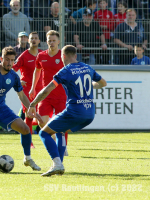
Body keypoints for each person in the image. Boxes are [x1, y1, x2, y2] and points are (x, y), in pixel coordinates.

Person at [28, 45, 107, 176]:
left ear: (63, 56)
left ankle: (57, 163)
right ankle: (59, 167)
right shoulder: (87, 67)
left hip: (75, 111)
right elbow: (103, 83)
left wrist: (33, 103)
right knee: (60, 131)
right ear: (75, 56)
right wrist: (89, 86)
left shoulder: (65, 71)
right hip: (90, 113)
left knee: (44, 133)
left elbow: (47, 89)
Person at [13, 32, 43, 148]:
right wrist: (18, 81)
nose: (34, 40)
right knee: (29, 114)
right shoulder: (24, 56)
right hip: (26, 90)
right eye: (32, 38)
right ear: (28, 41)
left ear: (39, 41)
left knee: (43, 114)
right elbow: (13, 70)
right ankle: (28, 142)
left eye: (36, 38)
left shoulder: (42, 54)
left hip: (41, 89)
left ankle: (45, 136)